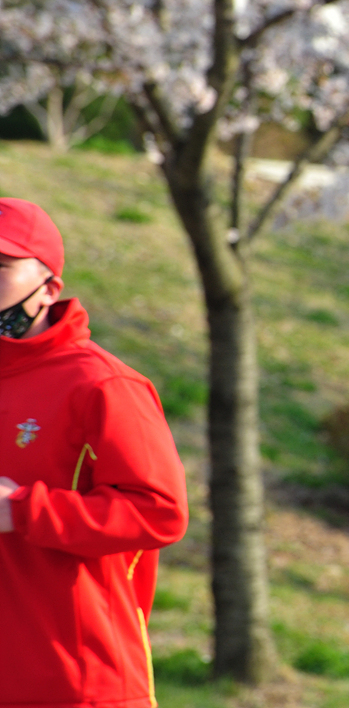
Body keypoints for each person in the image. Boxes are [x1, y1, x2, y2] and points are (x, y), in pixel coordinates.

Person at [0, 197, 189, 708]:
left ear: (48, 289)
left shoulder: (102, 385)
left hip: (77, 687)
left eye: (0, 268)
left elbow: (161, 513)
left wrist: (21, 511)